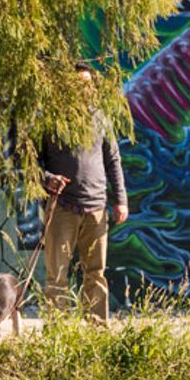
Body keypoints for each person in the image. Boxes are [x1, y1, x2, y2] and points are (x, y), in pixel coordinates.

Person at [39, 64, 128, 325]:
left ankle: (98, 329)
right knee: (57, 275)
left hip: (97, 208)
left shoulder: (100, 117)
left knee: (96, 273)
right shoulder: (50, 120)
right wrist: (48, 178)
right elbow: (30, 161)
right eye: (78, 84)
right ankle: (58, 333)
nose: (83, 89)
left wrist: (120, 200)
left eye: (87, 84)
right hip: (62, 207)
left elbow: (113, 160)